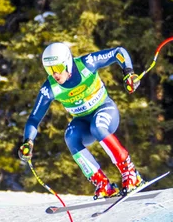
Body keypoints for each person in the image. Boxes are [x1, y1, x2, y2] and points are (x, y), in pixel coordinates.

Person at [18, 42, 143, 199]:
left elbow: (118, 52)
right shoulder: (49, 88)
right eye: (49, 69)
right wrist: (28, 141)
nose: (55, 74)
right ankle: (103, 184)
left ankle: (131, 173)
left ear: (67, 63)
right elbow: (34, 118)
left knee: (98, 127)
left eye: (57, 68)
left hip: (105, 111)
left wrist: (129, 73)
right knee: (70, 136)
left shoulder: (86, 64)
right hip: (83, 121)